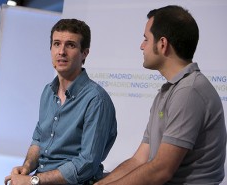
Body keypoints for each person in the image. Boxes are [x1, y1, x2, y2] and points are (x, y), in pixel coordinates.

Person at [95, 5, 226, 185]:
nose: (141, 46)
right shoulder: (169, 90)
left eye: (146, 39)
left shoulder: (189, 91)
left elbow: (161, 170)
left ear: (162, 44)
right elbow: (139, 160)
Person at [4, 19, 117, 185]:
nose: (61, 51)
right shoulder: (47, 92)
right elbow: (38, 140)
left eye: (70, 45)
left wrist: (33, 180)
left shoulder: (96, 99)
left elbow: (87, 163)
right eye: (57, 44)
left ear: (84, 53)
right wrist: (26, 168)